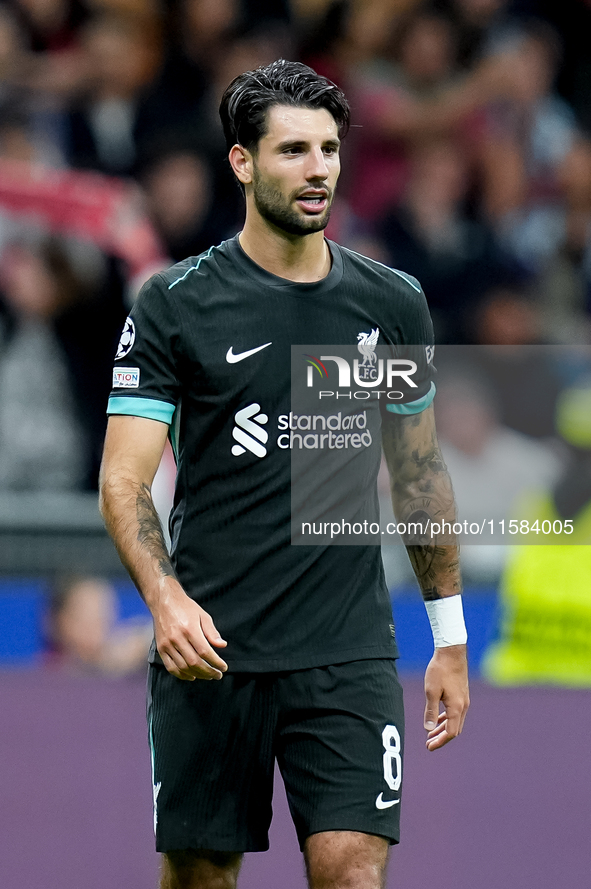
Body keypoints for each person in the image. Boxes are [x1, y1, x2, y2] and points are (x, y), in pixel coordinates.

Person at [99, 60, 469, 889]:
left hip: (345, 647)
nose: (319, 170)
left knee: (349, 869)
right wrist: (165, 601)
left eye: (330, 150)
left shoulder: (391, 303)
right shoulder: (175, 305)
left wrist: (448, 638)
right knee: (201, 874)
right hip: (212, 647)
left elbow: (417, 474)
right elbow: (123, 481)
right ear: (242, 162)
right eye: (294, 150)